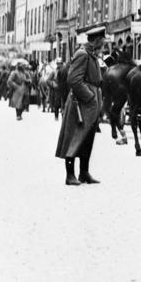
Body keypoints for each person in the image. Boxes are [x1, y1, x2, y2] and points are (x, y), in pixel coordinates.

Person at [55, 26, 107, 186]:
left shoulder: (91, 55)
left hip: (90, 104)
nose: (104, 45)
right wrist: (90, 97)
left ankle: (84, 173)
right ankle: (70, 175)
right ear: (97, 41)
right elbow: (73, 80)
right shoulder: (82, 54)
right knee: (74, 138)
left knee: (87, 137)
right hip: (81, 103)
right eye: (103, 42)